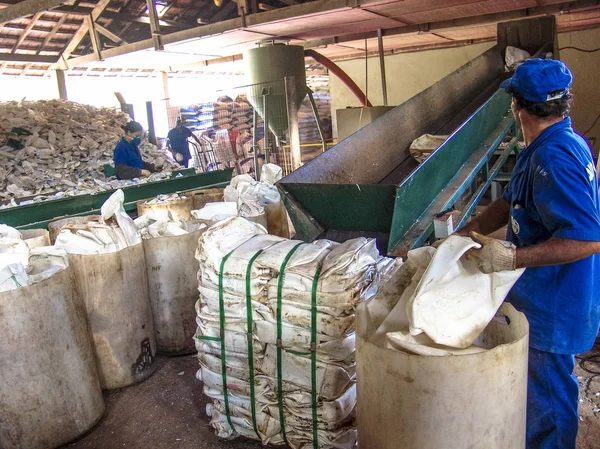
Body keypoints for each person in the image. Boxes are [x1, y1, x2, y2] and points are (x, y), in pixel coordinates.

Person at [454, 59, 600, 449]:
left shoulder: (554, 158)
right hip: (540, 296)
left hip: (553, 302)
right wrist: (466, 232)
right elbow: (512, 201)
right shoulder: (547, 145)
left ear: (517, 106)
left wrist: (511, 259)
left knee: (548, 404)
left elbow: (586, 238)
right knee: (534, 397)